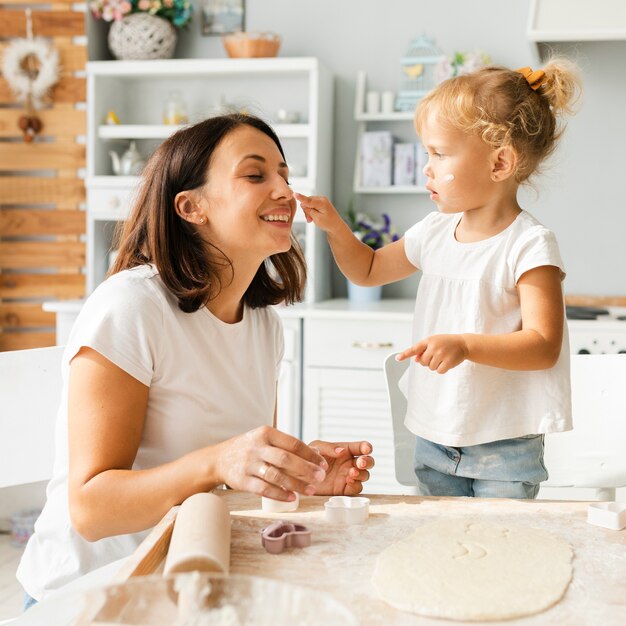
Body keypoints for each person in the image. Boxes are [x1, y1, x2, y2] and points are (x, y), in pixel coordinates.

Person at [17, 113, 374, 606]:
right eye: (256, 175)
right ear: (191, 207)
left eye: (285, 175)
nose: (285, 191)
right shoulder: (131, 307)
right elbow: (91, 509)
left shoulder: (263, 325)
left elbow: (231, 476)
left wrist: (301, 474)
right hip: (88, 595)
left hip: (186, 578)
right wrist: (220, 460)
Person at [297, 59, 581, 499]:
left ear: (500, 162)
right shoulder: (432, 232)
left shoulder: (529, 245)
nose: (426, 167)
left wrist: (465, 345)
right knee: (441, 552)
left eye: (439, 153)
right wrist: (336, 227)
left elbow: (543, 345)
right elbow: (368, 270)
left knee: (502, 552)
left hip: (503, 443)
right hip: (434, 434)